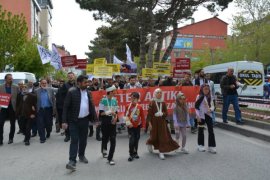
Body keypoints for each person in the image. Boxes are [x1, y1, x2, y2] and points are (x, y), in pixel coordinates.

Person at [62, 75, 97, 171]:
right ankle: (72, 161)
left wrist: (95, 120)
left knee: (83, 140)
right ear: (79, 83)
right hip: (73, 120)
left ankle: (81, 155)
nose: (87, 84)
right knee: (74, 140)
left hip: (85, 120)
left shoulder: (89, 92)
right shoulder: (72, 92)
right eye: (85, 82)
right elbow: (65, 107)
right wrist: (64, 121)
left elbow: (92, 107)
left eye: (87, 82)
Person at [146, 88, 179, 160]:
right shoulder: (152, 102)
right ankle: (149, 142)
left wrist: (162, 113)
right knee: (154, 136)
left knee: (163, 137)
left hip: (162, 123)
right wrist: (149, 123)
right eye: (158, 93)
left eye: (161, 93)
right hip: (154, 122)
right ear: (155, 94)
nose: (159, 94)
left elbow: (166, 113)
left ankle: (162, 152)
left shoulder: (163, 103)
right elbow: (149, 114)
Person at [99, 85, 118, 165]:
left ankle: (110, 158)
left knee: (113, 139)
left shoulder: (115, 100)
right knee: (105, 138)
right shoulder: (103, 100)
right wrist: (109, 112)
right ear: (110, 92)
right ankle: (104, 149)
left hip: (113, 121)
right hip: (105, 121)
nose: (116, 92)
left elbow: (116, 112)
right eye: (114, 91)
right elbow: (101, 113)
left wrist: (115, 118)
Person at [195, 84, 216, 153]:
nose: (206, 90)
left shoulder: (210, 97)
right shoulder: (199, 96)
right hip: (201, 115)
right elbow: (196, 107)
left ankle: (211, 146)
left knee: (211, 130)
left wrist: (210, 109)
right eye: (205, 89)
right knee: (201, 130)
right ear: (202, 89)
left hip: (208, 115)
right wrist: (197, 116)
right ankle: (200, 145)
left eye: (207, 89)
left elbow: (213, 106)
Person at [124, 92, 145, 162]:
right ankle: (131, 154)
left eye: (134, 98)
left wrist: (143, 126)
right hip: (130, 126)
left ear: (138, 99)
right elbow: (125, 116)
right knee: (131, 140)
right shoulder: (128, 106)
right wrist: (128, 123)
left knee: (137, 139)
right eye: (131, 98)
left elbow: (142, 117)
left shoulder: (140, 107)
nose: (132, 100)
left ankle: (135, 153)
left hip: (137, 126)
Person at [0, 74, 19, 145]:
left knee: (12, 124)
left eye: (11, 78)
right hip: (3, 107)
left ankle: (11, 138)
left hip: (12, 107)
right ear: (6, 80)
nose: (11, 80)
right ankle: (0, 140)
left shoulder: (16, 87)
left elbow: (19, 98)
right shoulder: (1, 87)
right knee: (1, 123)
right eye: (9, 79)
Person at [35, 79, 56, 143]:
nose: (44, 84)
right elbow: (33, 99)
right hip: (40, 109)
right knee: (40, 124)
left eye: (45, 83)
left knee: (48, 124)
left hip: (48, 109)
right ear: (40, 84)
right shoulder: (36, 91)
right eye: (42, 83)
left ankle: (48, 132)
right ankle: (42, 138)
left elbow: (59, 90)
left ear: (47, 84)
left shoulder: (50, 89)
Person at [61, 72, 76, 142]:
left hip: (76, 106)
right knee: (67, 121)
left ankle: (74, 134)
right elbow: (62, 95)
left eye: (71, 76)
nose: (70, 77)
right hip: (68, 106)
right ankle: (67, 135)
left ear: (74, 76)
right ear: (67, 77)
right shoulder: (65, 85)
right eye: (69, 76)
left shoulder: (77, 84)